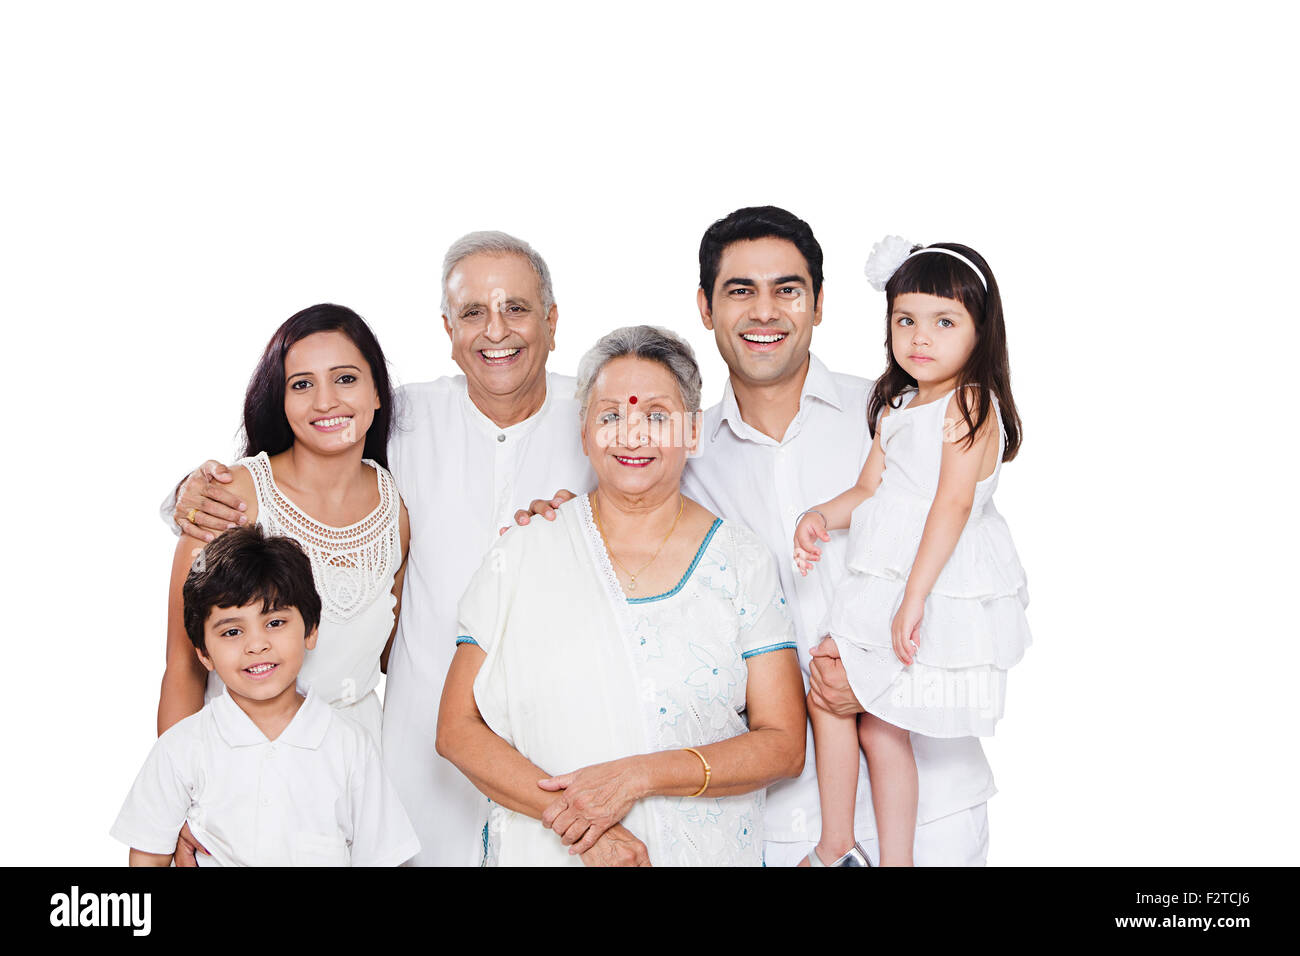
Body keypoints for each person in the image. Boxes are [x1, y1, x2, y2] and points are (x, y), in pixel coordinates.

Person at [516, 207, 998, 866]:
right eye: (740, 290)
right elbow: (622, 513)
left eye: (788, 290)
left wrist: (884, 680)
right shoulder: (681, 449)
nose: (764, 311)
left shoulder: (896, 416)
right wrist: (567, 515)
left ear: (820, 303)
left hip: (928, 807)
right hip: (769, 820)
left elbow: (972, 566)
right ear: (706, 307)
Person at [160, 233, 594, 865]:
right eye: (472, 311)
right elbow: (187, 657)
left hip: (545, 743)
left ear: (552, 321)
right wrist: (183, 495)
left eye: (517, 308)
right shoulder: (410, 420)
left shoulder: (600, 418)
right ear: (447, 328)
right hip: (399, 765)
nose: (494, 330)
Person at [437, 326, 806, 865]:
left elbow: (783, 744)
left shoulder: (742, 562)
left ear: (694, 432)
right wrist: (585, 829)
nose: (632, 435)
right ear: (584, 432)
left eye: (657, 416)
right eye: (610, 416)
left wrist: (637, 776)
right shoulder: (525, 551)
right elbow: (456, 730)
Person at [792, 239, 1030, 866]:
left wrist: (913, 599)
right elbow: (870, 488)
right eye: (905, 321)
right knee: (838, 691)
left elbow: (950, 506)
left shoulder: (969, 403)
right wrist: (820, 514)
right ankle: (840, 844)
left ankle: (874, 856)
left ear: (982, 331)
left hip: (930, 579)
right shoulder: (899, 403)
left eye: (944, 322)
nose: (920, 338)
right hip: (881, 575)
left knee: (868, 714)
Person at [158, 303, 408, 747]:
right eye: (302, 384)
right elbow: (183, 669)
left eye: (346, 378)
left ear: (377, 393)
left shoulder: (397, 512)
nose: (325, 400)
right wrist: (178, 798)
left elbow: (393, 657)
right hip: (241, 760)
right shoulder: (232, 497)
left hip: (359, 764)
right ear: (282, 399)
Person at [112, 526, 420, 867]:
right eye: (232, 631)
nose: (256, 645)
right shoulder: (181, 748)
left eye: (274, 623)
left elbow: (383, 858)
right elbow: (147, 856)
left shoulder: (350, 747)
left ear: (311, 629)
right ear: (204, 653)